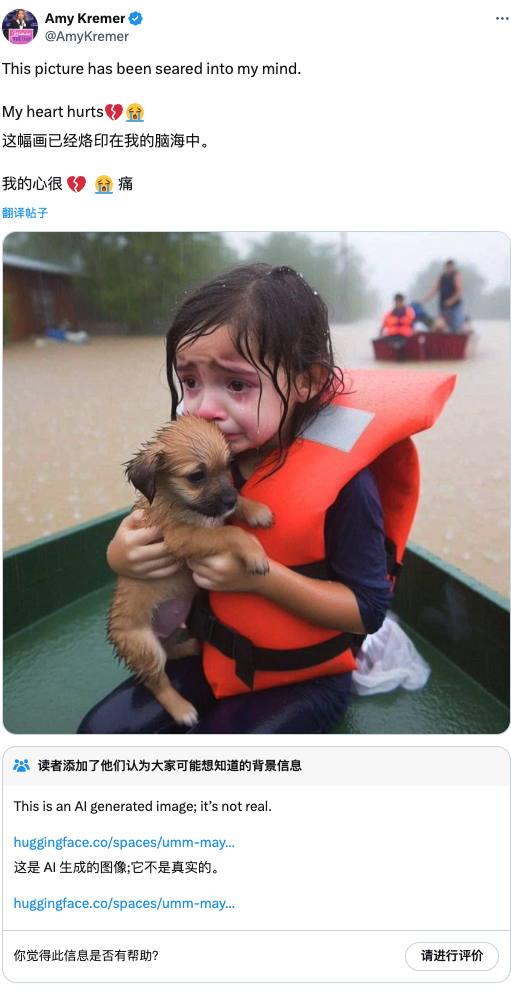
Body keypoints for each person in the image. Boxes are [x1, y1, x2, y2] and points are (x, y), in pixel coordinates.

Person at [78, 264, 454, 735]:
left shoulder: (348, 487)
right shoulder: (208, 452)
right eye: (190, 381)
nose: (204, 408)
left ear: (307, 382)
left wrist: (263, 580)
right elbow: (152, 522)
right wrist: (122, 554)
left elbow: (368, 610)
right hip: (209, 651)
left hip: (302, 676)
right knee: (99, 733)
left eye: (236, 384)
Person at [420, 260, 464, 331]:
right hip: (443, 307)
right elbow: (433, 290)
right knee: (439, 327)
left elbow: (459, 291)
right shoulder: (441, 277)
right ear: (446, 267)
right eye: (448, 267)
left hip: (455, 307)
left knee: (456, 327)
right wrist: (422, 300)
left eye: (451, 267)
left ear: (453, 267)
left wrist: (451, 301)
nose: (449, 268)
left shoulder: (456, 275)